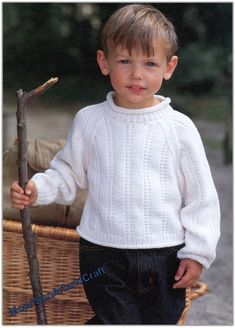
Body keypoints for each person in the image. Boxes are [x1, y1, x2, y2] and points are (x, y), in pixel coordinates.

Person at [11, 4, 220, 324]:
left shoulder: (179, 129)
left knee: (161, 320)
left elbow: (201, 197)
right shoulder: (90, 121)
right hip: (102, 253)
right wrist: (37, 189)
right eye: (125, 61)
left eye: (150, 63)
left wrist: (197, 253)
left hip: (166, 254)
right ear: (104, 62)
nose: (137, 74)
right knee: (115, 320)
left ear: (169, 66)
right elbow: (67, 174)